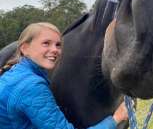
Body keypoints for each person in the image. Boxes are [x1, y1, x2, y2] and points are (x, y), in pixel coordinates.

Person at [0, 22, 128, 129]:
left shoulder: (16, 73)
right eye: (46, 43)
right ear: (25, 48)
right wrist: (116, 119)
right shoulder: (31, 86)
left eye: (58, 44)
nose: (55, 50)